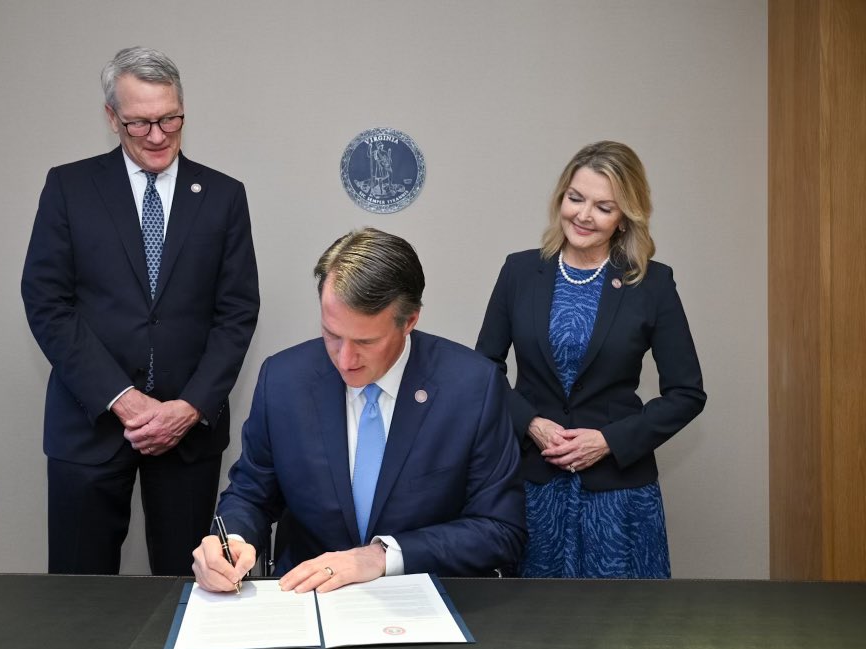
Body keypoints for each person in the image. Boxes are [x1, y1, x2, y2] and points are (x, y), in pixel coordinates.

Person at [21, 46, 259, 575]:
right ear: (112, 118)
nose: (157, 136)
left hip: (187, 433)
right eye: (140, 123)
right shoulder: (70, 188)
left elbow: (237, 312)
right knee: (80, 596)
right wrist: (122, 399)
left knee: (190, 586)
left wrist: (190, 407)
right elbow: (47, 302)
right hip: (89, 424)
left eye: (170, 119)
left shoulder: (223, 196)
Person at [192, 227, 525, 593]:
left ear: (410, 321)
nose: (345, 359)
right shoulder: (284, 380)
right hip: (306, 597)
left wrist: (382, 556)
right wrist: (232, 539)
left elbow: (500, 529)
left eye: (366, 341)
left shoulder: (471, 387)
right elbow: (251, 493)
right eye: (332, 334)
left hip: (419, 599)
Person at [475, 141, 706, 579]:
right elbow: (484, 370)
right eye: (575, 198)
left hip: (618, 496)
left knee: (622, 618)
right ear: (560, 197)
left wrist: (608, 441)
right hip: (535, 486)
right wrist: (531, 424)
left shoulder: (653, 283)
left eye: (603, 207)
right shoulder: (519, 272)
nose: (583, 215)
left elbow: (687, 394)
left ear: (625, 217)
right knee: (534, 616)